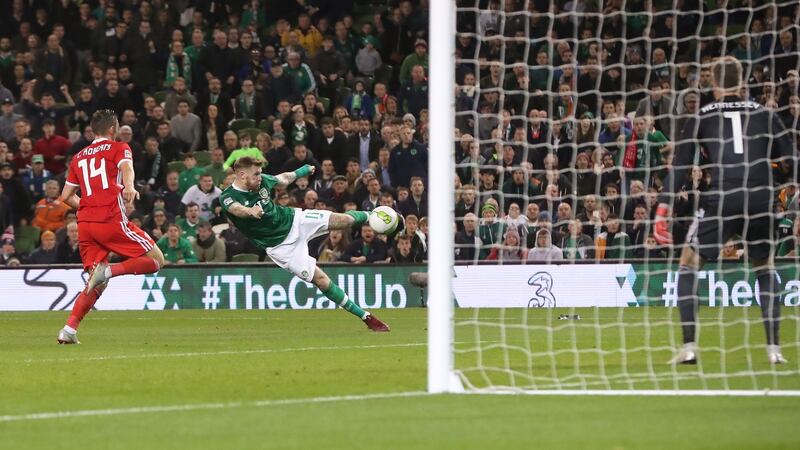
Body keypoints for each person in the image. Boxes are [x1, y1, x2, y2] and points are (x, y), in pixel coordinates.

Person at [656, 57, 796, 365]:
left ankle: (689, 347)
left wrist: (664, 204)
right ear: (742, 81)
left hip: (721, 196)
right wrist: (777, 176)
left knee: (689, 262)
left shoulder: (702, 114)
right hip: (759, 197)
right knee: (764, 266)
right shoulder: (765, 114)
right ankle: (774, 350)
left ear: (714, 84)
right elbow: (790, 160)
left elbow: (681, 164)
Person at [219, 156, 389, 331]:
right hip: (281, 246)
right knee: (321, 281)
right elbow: (236, 209)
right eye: (256, 174)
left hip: (294, 219)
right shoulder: (227, 197)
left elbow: (283, 179)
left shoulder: (262, 181)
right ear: (241, 175)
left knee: (343, 220)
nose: (260, 177)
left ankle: (376, 215)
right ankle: (366, 317)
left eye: (260, 173)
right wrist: (250, 211)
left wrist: (301, 171)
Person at [57, 109, 165, 345]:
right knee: (157, 259)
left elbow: (66, 196)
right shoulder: (119, 147)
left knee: (96, 282)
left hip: (85, 224)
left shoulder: (78, 157)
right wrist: (128, 186)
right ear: (113, 129)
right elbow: (127, 168)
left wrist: (86, 206)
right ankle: (110, 271)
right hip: (110, 219)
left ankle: (69, 328)